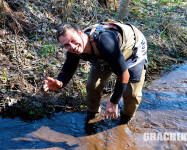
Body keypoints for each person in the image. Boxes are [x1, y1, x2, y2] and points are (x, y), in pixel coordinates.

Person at [43, 20, 148, 124]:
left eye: (73, 40)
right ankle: (92, 116)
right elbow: (67, 70)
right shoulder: (73, 50)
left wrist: (113, 102)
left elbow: (124, 74)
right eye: (66, 45)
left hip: (132, 49)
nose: (72, 47)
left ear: (80, 33)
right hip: (105, 56)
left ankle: (125, 119)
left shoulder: (105, 43)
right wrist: (60, 82)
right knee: (92, 86)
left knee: (132, 94)